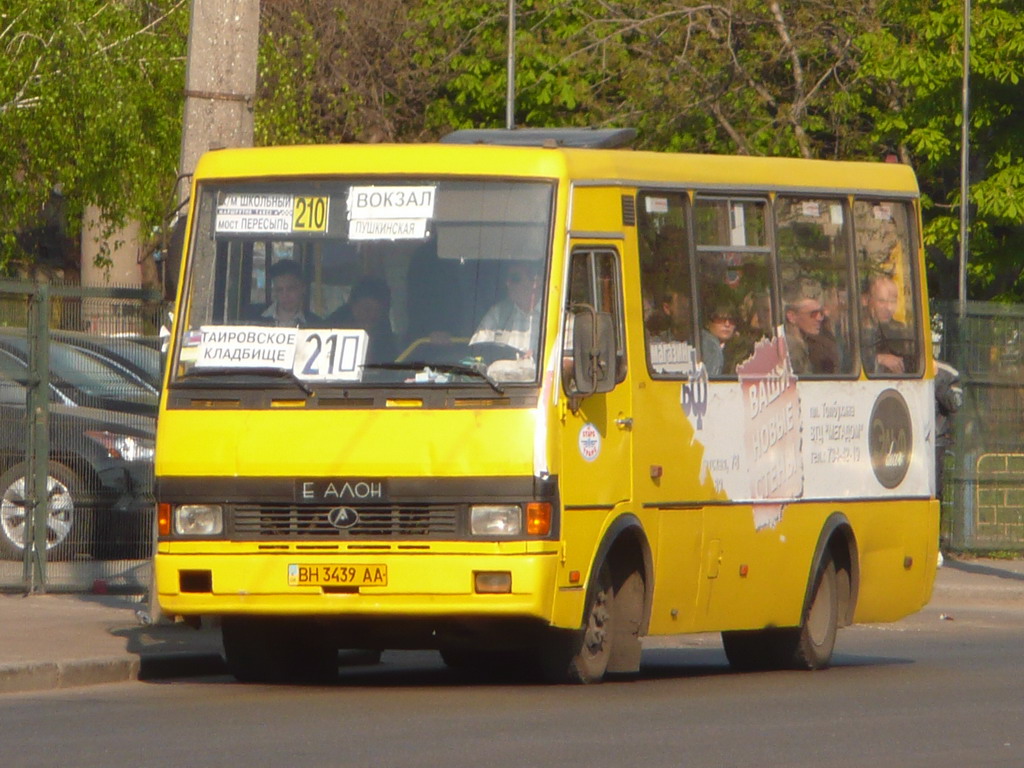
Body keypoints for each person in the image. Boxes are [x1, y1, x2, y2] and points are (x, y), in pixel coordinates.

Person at [470, 261, 542, 358]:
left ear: (535, 282)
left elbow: (566, 361)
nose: (508, 283)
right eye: (507, 279)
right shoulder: (498, 313)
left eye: (514, 279)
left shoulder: (559, 317)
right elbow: (477, 350)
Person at [326, 276, 398, 364]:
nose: (372, 316)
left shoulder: (384, 335)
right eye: (366, 309)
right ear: (352, 306)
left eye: (378, 311)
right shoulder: (329, 331)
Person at [861, 274, 914, 374]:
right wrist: (879, 359)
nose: (888, 308)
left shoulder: (902, 332)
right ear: (866, 300)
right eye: (882, 301)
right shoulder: (853, 330)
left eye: (893, 302)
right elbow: (846, 363)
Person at [784, 286, 839, 375]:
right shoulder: (791, 347)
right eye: (813, 314)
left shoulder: (817, 343)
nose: (819, 319)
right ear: (792, 317)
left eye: (821, 314)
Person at [252, 259, 322, 328]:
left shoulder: (316, 324)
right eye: (279, 290)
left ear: (303, 288)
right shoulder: (252, 317)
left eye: (291, 289)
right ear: (274, 292)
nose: (285, 295)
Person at [934, 358, 962, 500]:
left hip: (935, 442)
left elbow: (955, 403)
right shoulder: (897, 366)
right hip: (902, 440)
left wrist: (936, 378)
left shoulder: (948, 373)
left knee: (934, 493)